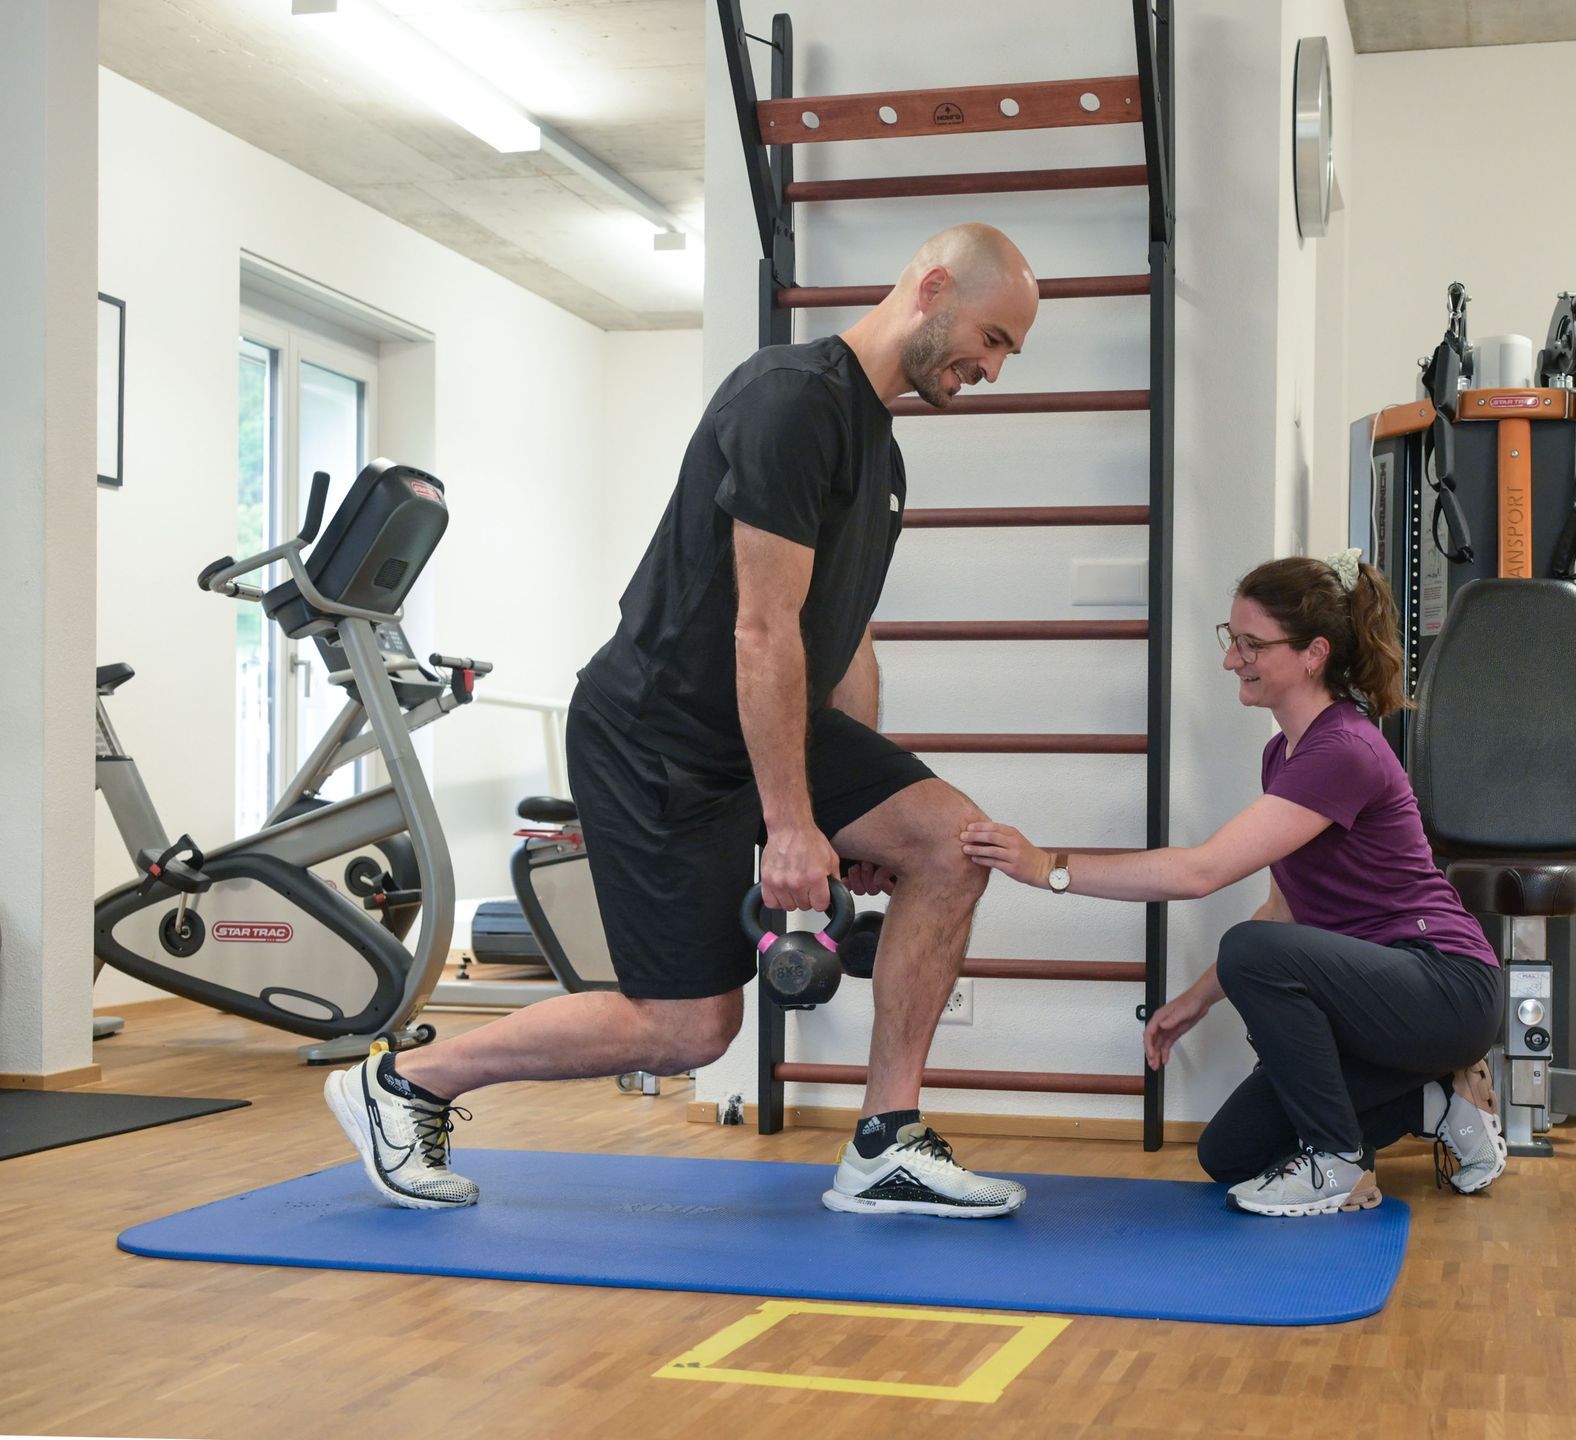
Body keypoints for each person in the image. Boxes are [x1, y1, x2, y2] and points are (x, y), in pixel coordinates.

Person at [327, 224, 1042, 1218]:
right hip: (659, 735)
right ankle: (406, 1084)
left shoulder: (880, 449)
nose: (996, 368)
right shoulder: (792, 400)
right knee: (689, 1029)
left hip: (761, 724)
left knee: (948, 845)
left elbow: (844, 637)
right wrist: (794, 823)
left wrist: (848, 805)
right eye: (996, 337)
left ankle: (885, 1141)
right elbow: (761, 629)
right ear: (931, 289)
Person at [961, 550, 1508, 1217]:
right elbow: (1284, 909)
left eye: (1251, 644)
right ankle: (1438, 1101)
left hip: (1444, 986)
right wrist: (1197, 999)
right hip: (1386, 997)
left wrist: (1048, 866)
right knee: (1232, 1152)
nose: (1232, 660)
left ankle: (1337, 1163)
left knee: (1250, 950)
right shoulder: (1284, 753)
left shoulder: (1344, 750)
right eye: (1232, 641)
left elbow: (1201, 871)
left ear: (1312, 654)